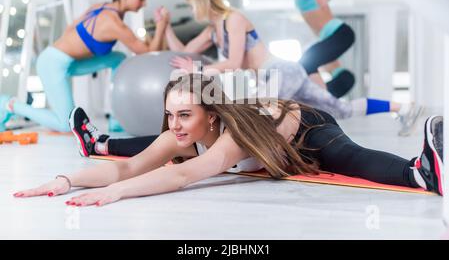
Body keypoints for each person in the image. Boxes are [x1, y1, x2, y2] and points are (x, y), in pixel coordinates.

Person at [13, 74, 444, 208]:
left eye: (185, 115)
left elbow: (184, 176)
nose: (175, 126)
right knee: (144, 148)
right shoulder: (180, 133)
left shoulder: (232, 134)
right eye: (169, 115)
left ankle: (418, 171)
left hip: (306, 129)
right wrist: (66, 180)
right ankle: (100, 140)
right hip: (268, 136)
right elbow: (129, 166)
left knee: (346, 156)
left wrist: (113, 195)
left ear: (212, 115)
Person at [164, 0, 421, 136]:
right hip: (278, 75)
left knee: (261, 111)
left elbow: (231, 64)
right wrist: (165, 26)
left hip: (280, 71)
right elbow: (184, 50)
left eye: (191, 4)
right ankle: (403, 107)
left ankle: (271, 158)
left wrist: (196, 70)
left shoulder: (234, 19)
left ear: (201, 0)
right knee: (340, 109)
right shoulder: (213, 30)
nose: (191, 10)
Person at [0, 0, 169, 133]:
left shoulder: (101, 7)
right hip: (52, 63)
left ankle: (116, 117)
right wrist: (161, 26)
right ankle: (9, 104)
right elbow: (148, 53)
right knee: (66, 125)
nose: (144, 3)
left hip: (69, 62)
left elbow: (71, 27)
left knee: (118, 58)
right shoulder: (114, 24)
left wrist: (75, 50)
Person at [288, 0, 356, 98]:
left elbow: (324, 0)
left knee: (305, 63)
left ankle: (321, 100)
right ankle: (332, 92)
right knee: (329, 71)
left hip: (339, 33)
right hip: (329, 35)